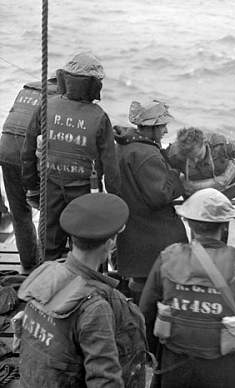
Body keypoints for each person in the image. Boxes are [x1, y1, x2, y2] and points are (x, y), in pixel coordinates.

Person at [139, 188, 235, 388]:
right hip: (223, 371)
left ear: (189, 223)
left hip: (174, 368)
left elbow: (145, 314)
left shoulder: (168, 258)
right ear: (224, 226)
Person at [16, 193, 148, 387]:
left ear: (72, 238)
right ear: (111, 244)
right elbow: (104, 381)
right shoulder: (95, 308)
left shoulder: (46, 274)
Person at [21, 51, 121, 261]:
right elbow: (111, 169)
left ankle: (49, 286)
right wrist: (114, 204)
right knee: (87, 247)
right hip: (85, 193)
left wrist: (31, 185)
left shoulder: (46, 106)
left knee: (48, 247)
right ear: (93, 85)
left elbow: (28, 150)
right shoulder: (99, 117)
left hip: (49, 190)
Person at [113, 100, 188, 302]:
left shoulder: (125, 147)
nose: (165, 130)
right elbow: (160, 196)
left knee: (140, 280)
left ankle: (141, 322)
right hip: (153, 233)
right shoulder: (146, 154)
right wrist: (176, 175)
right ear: (151, 127)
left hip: (133, 229)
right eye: (162, 125)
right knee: (160, 282)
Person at [0, 77, 58, 271]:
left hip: (6, 150)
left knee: (19, 212)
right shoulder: (59, 98)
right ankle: (44, 264)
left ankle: (28, 263)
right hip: (29, 152)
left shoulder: (27, 88)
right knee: (47, 208)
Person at [164, 127, 235, 213]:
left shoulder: (219, 144)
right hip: (199, 196)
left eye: (198, 156)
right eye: (190, 158)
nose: (195, 161)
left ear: (204, 143)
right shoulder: (175, 154)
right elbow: (160, 167)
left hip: (232, 184)